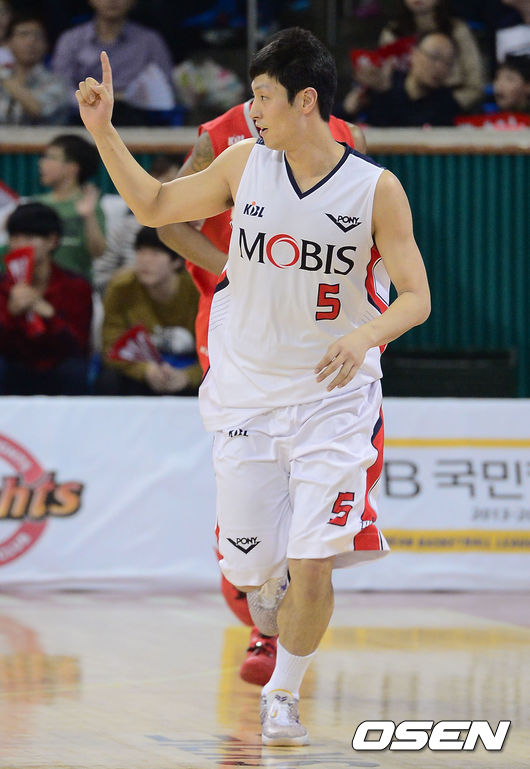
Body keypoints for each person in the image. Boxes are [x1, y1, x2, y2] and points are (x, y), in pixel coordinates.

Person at [76, 27, 430, 746]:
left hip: (333, 396)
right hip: (247, 393)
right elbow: (154, 206)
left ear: (306, 101)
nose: (252, 110)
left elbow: (417, 297)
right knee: (249, 570)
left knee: (314, 561)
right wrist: (105, 132)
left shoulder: (376, 189)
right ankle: (268, 589)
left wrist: (363, 335)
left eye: (263, 96)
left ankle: (283, 694)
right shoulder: (243, 164)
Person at [156, 98, 367, 686]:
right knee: (246, 471)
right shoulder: (221, 137)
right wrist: (236, 272)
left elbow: (367, 233)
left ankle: (286, 618)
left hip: (317, 323)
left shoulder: (347, 138)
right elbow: (168, 220)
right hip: (236, 324)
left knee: (313, 480)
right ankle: (262, 622)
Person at [96, 226, 201, 396]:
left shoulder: (198, 290)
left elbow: (218, 353)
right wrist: (145, 370)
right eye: (140, 251)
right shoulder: (121, 287)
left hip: (190, 370)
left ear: (176, 261)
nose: (145, 260)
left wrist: (188, 376)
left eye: (155, 253)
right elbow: (110, 346)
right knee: (109, 380)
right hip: (142, 372)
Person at [0, 202, 92, 395]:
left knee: (74, 369)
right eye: (14, 237)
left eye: (29, 237)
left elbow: (79, 347)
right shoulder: (3, 286)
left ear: (52, 240)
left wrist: (50, 315)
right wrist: (11, 314)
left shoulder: (76, 286)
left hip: (58, 367)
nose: (19, 245)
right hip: (14, 366)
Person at [345, 0, 484, 113]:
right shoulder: (393, 32)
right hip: (401, 107)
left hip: (450, 107)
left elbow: (475, 84)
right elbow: (385, 82)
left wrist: (449, 106)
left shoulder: (457, 30)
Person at [52, 0, 176, 125]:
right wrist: (90, 101)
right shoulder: (71, 40)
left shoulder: (150, 41)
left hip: (138, 119)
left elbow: (166, 87)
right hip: (82, 117)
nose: (112, 1)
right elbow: (61, 87)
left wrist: (127, 98)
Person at [94, 154, 183, 296]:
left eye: (172, 181)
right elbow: (100, 279)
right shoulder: (125, 228)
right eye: (157, 179)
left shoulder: (195, 228)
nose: (162, 186)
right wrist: (131, 275)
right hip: (128, 300)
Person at [35, 133, 106, 283]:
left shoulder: (90, 205)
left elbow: (98, 252)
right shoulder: (37, 205)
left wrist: (89, 217)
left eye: (51, 157)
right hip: (40, 286)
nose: (42, 163)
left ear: (72, 167)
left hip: (77, 287)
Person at [356, 31, 461, 126]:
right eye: (434, 57)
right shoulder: (385, 85)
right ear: (414, 54)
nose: (440, 67)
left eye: (448, 63)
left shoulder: (446, 103)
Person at [0, 12, 68, 125]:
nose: (31, 41)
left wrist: (5, 77)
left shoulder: (57, 82)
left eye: (38, 36)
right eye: (23, 34)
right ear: (8, 42)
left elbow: (37, 109)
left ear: (46, 45)